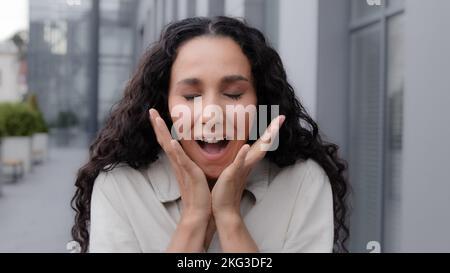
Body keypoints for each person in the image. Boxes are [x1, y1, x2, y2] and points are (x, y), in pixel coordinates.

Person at [70, 16, 349, 253]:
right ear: (164, 107)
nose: (212, 113)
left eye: (233, 94)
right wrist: (194, 218)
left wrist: (229, 218)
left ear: (260, 103)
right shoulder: (120, 185)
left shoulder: (303, 181)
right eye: (191, 96)